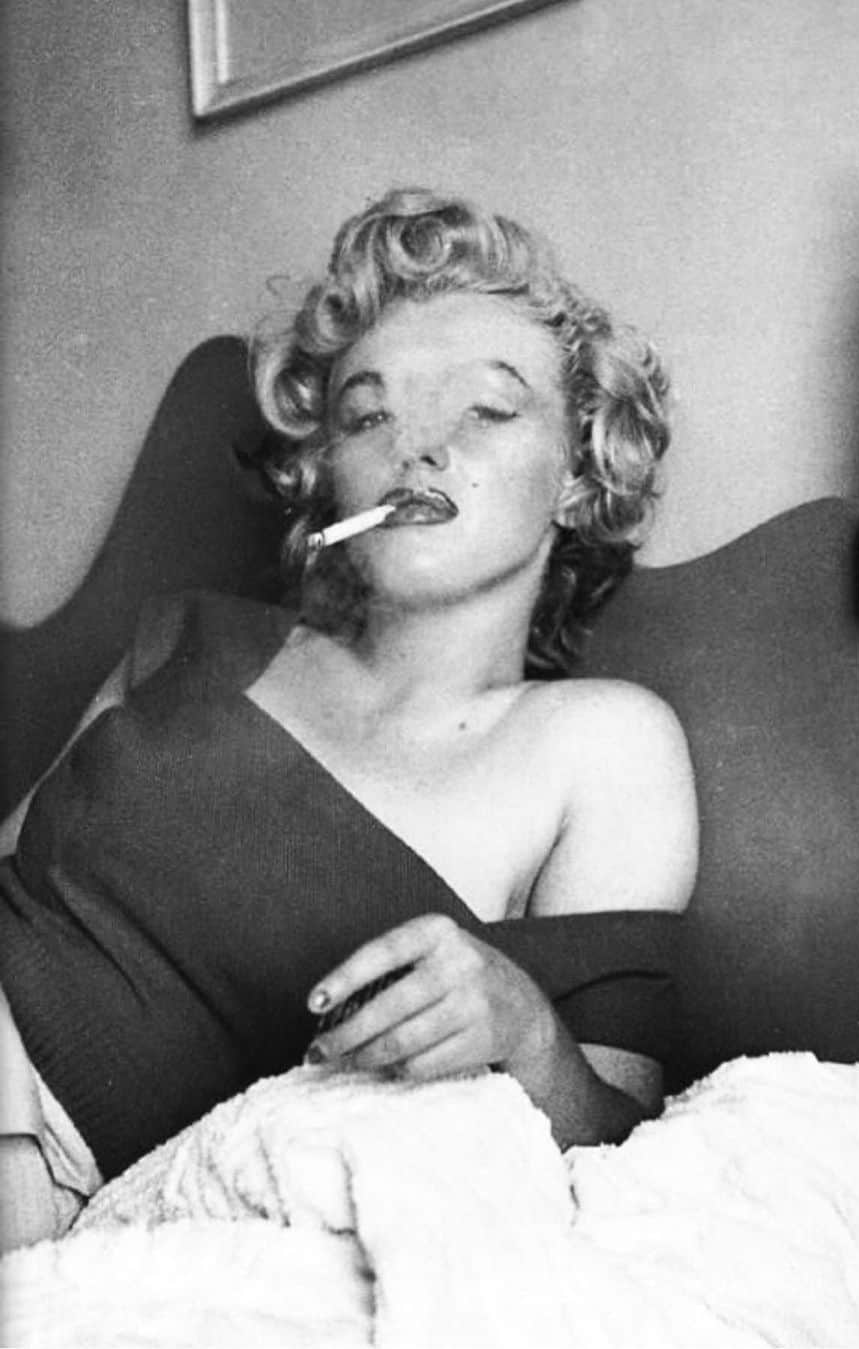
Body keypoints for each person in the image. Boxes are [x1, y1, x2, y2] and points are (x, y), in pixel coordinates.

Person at [0, 188, 698, 1251]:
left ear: (577, 471)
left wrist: (525, 1031)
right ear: (330, 476)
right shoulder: (184, 637)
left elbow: (619, 1147)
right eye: (369, 416)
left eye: (487, 410)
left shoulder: (601, 743)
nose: (418, 447)